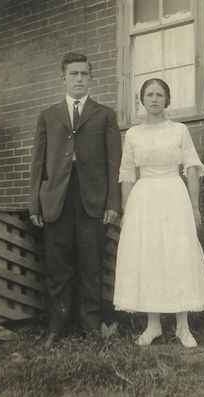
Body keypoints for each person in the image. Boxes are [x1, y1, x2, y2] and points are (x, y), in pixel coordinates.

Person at [113, 78, 204, 347]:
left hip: (173, 195)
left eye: (160, 94)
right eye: (149, 94)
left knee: (177, 254)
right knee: (149, 256)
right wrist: (126, 210)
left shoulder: (179, 130)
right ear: (142, 100)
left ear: (167, 99)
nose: (155, 99)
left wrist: (194, 206)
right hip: (143, 198)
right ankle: (153, 325)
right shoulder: (133, 134)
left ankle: (183, 326)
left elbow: (192, 167)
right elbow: (126, 174)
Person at [29, 52, 122, 347]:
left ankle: (91, 325)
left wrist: (112, 203)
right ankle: (58, 326)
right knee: (58, 267)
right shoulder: (48, 115)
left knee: (91, 264)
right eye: (73, 74)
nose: (79, 79)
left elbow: (113, 163)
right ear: (63, 78)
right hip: (56, 199)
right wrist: (35, 204)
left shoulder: (105, 114)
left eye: (84, 74)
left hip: (91, 199)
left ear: (91, 78)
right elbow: (37, 163)